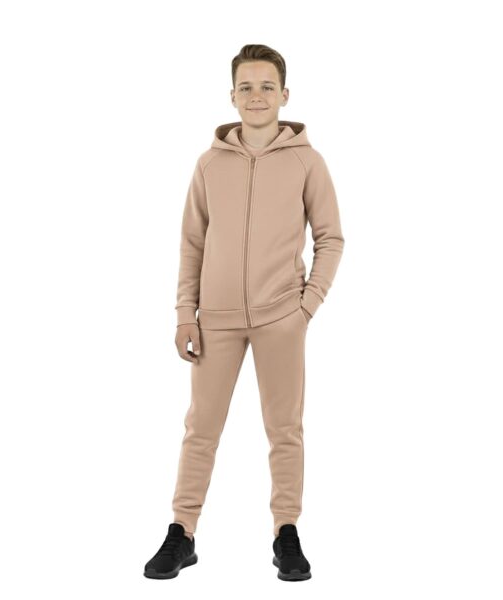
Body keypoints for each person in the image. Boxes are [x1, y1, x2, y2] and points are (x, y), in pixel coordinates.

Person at [144, 43, 345, 582]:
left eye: (266, 86)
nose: (257, 96)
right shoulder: (209, 164)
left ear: (285, 94)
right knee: (200, 428)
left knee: (285, 429)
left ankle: (286, 532)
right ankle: (182, 532)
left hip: (282, 317)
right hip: (216, 320)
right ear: (232, 96)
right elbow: (192, 243)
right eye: (246, 87)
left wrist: (306, 306)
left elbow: (330, 237)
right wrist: (185, 313)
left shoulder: (307, 162)